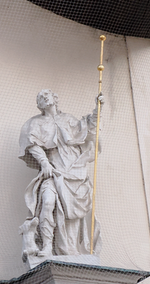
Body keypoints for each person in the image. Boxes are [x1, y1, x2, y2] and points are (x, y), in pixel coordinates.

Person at [19, 89, 102, 258]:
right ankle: (48, 246)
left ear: (55, 98)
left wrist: (98, 108)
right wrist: (44, 162)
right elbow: (32, 144)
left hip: (75, 172)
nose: (43, 97)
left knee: (73, 216)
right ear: (39, 105)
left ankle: (69, 249)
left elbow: (89, 128)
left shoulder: (69, 119)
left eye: (46, 94)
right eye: (40, 97)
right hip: (54, 173)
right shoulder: (35, 123)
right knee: (48, 202)